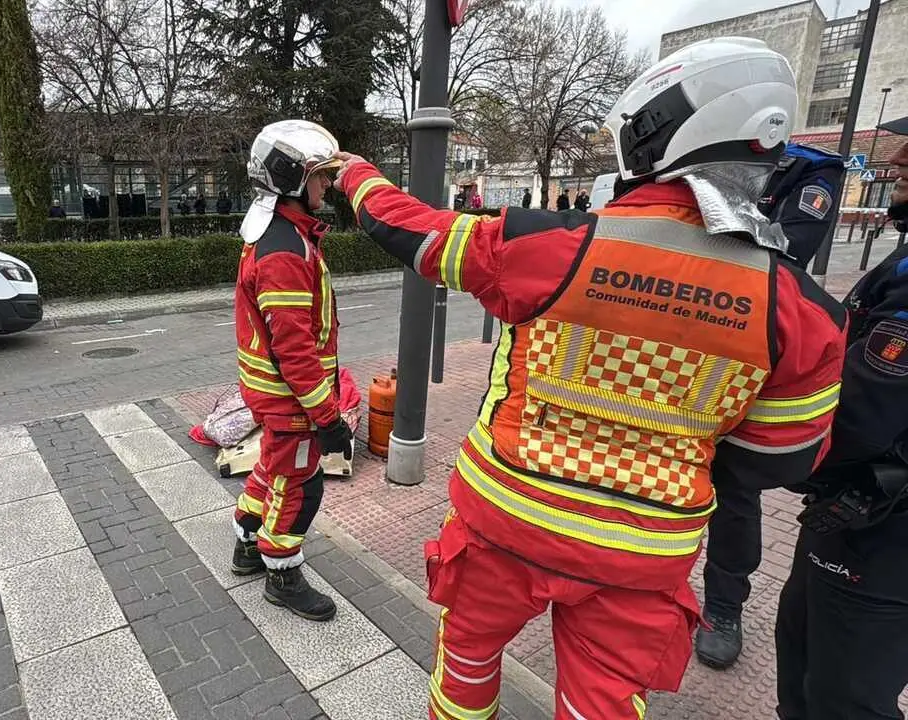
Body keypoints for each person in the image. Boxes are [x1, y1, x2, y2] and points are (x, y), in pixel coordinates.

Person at [334, 36, 845, 718]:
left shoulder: (550, 245)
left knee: (465, 669)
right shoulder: (804, 310)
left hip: (503, 524)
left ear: (658, 130)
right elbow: (782, 458)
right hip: (642, 555)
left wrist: (354, 175)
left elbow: (416, 233)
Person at [774, 113, 908, 720]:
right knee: (803, 654)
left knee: (842, 696)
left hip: (880, 531)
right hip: (855, 517)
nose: (899, 158)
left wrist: (769, 447)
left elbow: (860, 416)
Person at [695, 140, 846, 670]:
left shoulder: (809, 170)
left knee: (734, 489)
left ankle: (723, 606)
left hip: (748, 333)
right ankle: (637, 584)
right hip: (687, 337)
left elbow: (789, 251)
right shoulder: (699, 154)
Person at [231, 119, 354, 622]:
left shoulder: (280, 233)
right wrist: (328, 418)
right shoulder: (285, 249)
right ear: (292, 180)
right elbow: (296, 350)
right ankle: (282, 572)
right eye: (321, 177)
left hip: (276, 394)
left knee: (272, 466)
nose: (328, 186)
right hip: (292, 397)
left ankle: (246, 543)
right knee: (301, 484)